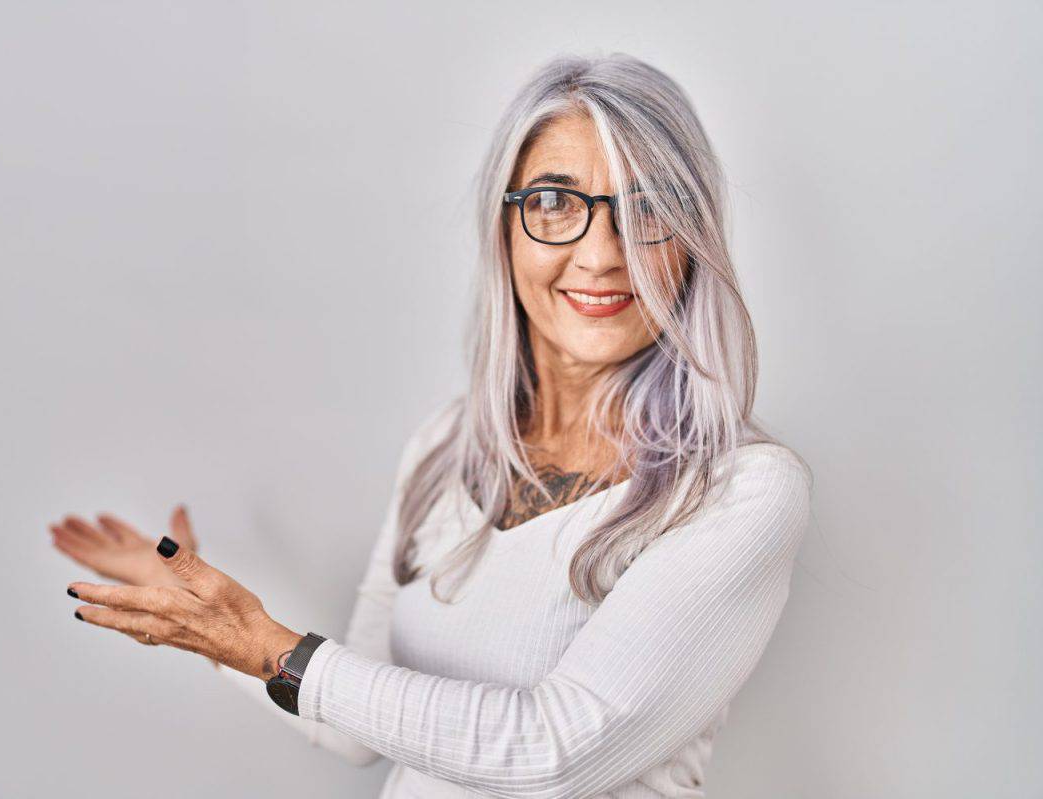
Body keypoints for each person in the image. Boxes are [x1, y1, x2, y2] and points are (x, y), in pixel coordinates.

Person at [51, 51, 813, 798]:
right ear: (502, 226)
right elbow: (352, 722)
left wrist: (267, 645)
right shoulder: (447, 448)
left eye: (648, 210)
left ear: (693, 238)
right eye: (554, 201)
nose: (600, 254)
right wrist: (205, 621)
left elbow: (556, 752)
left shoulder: (739, 488)